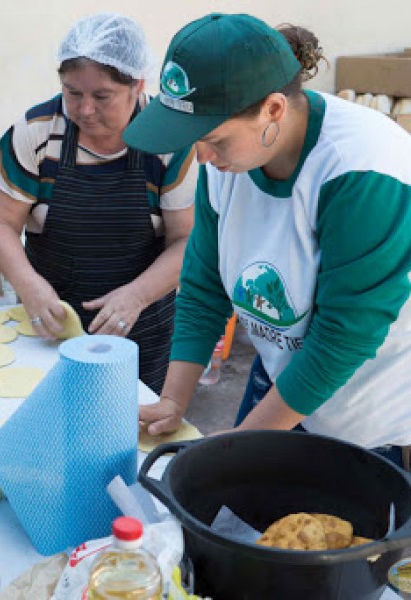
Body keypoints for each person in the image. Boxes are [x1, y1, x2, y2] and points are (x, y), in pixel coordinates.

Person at [131, 14, 411, 468]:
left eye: (213, 139)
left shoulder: (363, 170)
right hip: (283, 374)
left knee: (319, 530)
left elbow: (344, 336)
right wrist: (172, 401)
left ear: (273, 109)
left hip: (366, 409)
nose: (200, 157)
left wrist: (239, 443)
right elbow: (204, 287)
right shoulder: (228, 163)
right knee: (238, 513)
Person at [0, 13, 197, 393]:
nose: (84, 110)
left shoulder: (168, 140)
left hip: (142, 329)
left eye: (102, 96)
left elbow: (186, 239)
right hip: (51, 326)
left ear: (138, 85)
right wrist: (29, 286)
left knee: (134, 434)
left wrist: (137, 296)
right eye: (72, 93)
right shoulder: (36, 132)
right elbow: (0, 223)